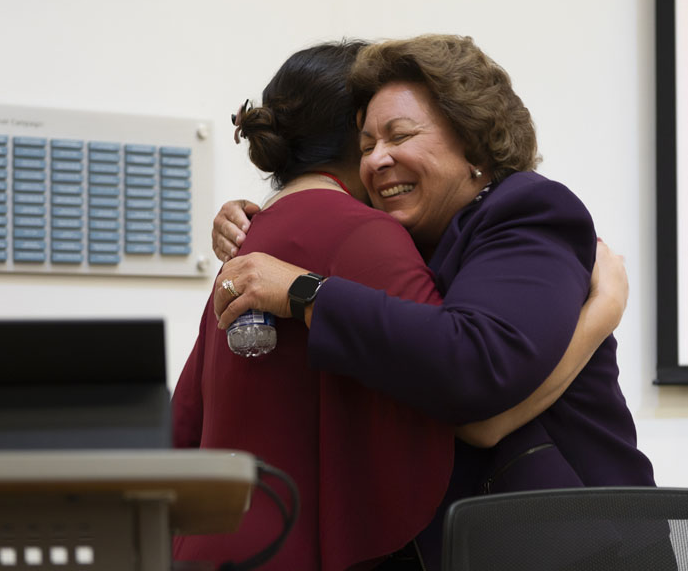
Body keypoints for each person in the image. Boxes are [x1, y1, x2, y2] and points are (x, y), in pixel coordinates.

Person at [173, 40, 626, 571]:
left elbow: (476, 366)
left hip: (576, 541)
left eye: (400, 135)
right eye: (365, 145)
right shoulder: (399, 237)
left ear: (476, 145)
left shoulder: (526, 211)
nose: (377, 159)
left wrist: (304, 290)